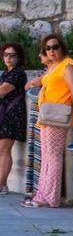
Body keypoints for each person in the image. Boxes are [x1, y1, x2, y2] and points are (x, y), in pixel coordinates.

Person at [22, 36, 73, 209]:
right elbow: (45, 80)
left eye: (55, 47)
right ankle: (42, 195)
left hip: (57, 115)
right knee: (47, 157)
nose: (51, 51)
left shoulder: (68, 66)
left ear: (62, 47)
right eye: (47, 48)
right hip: (48, 115)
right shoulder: (55, 67)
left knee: (53, 157)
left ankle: (50, 198)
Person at [0, 44, 25, 194]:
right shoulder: (6, 73)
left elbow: (2, 92)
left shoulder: (18, 74)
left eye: (12, 55)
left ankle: (2, 185)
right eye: (6, 55)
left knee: (4, 150)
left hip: (11, 116)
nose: (8, 58)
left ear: (19, 57)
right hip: (4, 114)